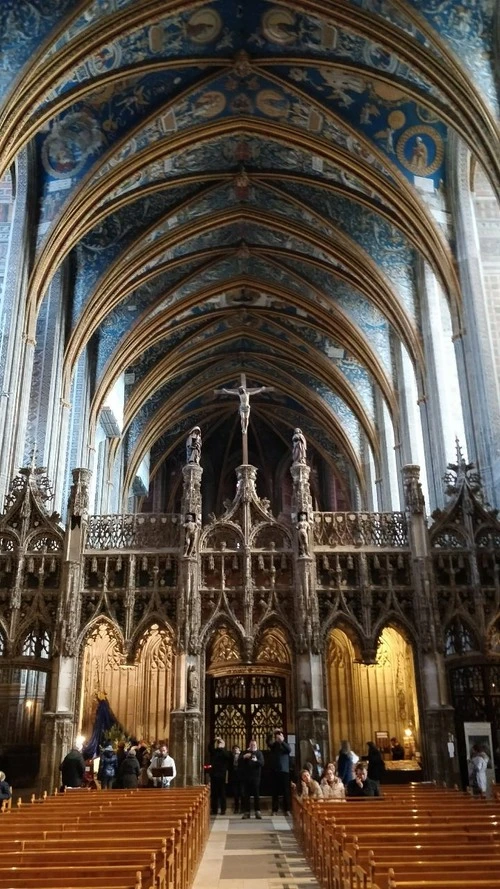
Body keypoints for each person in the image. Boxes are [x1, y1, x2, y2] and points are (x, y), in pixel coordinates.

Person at [268, 729, 291, 816]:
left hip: (284, 771)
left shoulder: (285, 745)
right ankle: (274, 810)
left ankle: (287, 809)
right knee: (275, 792)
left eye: (280, 736)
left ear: (283, 737)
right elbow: (268, 742)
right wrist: (272, 733)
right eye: (277, 736)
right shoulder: (274, 745)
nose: (278, 737)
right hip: (275, 771)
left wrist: (282, 742)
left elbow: (289, 750)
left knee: (286, 791)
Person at [239, 739, 264, 819]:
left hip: (256, 777)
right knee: (247, 795)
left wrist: (256, 760)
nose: (252, 746)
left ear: (256, 745)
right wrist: (243, 757)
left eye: (254, 745)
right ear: (249, 745)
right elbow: (238, 762)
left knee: (256, 795)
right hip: (246, 777)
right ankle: (247, 812)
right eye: (251, 745)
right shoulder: (245, 752)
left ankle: (257, 811)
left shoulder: (259, 753)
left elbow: (262, 763)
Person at [209, 738, 231, 815]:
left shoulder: (225, 752)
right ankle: (214, 809)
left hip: (222, 775)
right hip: (214, 775)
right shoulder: (214, 751)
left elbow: (228, 757)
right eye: (218, 743)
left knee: (222, 793)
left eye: (220, 743)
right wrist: (214, 740)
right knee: (214, 793)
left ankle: (223, 809)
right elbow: (210, 747)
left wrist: (222, 748)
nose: (219, 744)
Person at [229, 745, 243, 813]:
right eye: (234, 749)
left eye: (236, 749)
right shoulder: (231, 757)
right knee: (236, 794)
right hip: (234, 777)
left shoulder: (242, 756)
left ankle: (243, 808)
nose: (235, 750)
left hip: (241, 777)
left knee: (242, 793)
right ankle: (236, 808)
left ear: (239, 750)